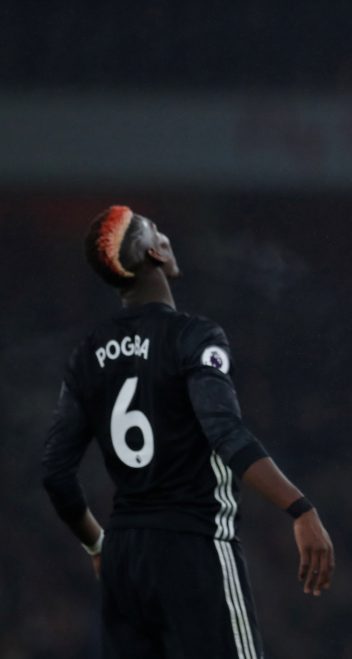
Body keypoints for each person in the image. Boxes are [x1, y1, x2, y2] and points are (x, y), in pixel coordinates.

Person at [42, 206, 334, 659]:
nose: (166, 235)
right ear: (154, 252)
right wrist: (299, 508)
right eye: (157, 230)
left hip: (125, 560)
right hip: (193, 547)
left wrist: (98, 544)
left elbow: (56, 474)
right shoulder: (193, 336)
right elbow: (224, 431)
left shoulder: (87, 354)